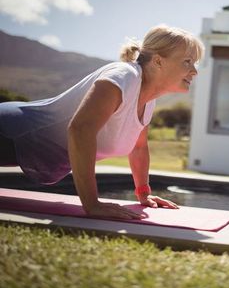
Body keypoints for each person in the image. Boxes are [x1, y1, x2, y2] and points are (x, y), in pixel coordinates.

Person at [0, 25, 204, 220]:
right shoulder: (123, 77)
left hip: (25, 143)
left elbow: (139, 147)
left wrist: (144, 194)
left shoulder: (148, 98)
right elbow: (80, 130)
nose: (194, 71)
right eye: (187, 61)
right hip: (11, 131)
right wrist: (92, 205)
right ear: (158, 61)